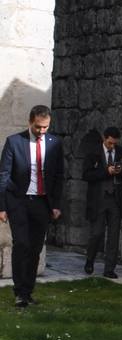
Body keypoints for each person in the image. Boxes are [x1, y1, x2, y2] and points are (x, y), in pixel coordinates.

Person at [0, 105, 64, 309]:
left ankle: (28, 291)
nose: (41, 131)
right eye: (38, 127)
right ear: (30, 122)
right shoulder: (14, 142)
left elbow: (59, 176)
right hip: (18, 201)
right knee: (22, 244)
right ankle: (19, 293)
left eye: (45, 127)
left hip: (42, 202)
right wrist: (2, 206)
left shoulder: (55, 143)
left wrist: (56, 204)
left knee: (36, 248)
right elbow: (3, 175)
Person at [82, 127, 122, 278]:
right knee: (96, 233)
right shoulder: (93, 152)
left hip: (116, 198)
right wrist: (106, 172)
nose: (112, 146)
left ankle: (109, 268)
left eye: (114, 144)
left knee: (114, 235)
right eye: (110, 143)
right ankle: (90, 259)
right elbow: (86, 174)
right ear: (104, 138)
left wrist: (120, 171)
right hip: (99, 199)